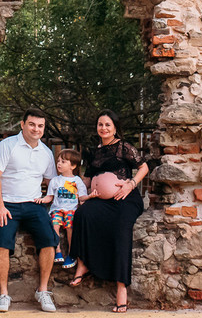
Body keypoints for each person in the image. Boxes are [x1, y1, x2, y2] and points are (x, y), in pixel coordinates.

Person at [67, 110, 149, 313]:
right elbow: (87, 179)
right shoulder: (94, 152)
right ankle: (83, 263)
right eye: (100, 124)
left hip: (125, 199)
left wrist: (131, 184)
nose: (103, 128)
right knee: (82, 215)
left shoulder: (123, 147)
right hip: (100, 201)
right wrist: (70, 187)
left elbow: (144, 167)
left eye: (107, 125)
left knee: (121, 228)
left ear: (115, 127)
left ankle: (121, 288)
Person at [0, 108, 59, 313]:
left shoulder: (46, 152)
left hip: (34, 204)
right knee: (2, 243)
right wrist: (0, 206)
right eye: (32, 124)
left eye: (40, 126)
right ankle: (3, 295)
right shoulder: (7, 145)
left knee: (49, 239)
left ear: (43, 128)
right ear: (23, 124)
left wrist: (58, 196)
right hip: (8, 204)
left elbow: (51, 181)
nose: (36, 129)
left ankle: (43, 291)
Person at [36, 149, 88, 269]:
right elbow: (50, 197)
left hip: (71, 210)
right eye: (58, 161)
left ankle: (71, 253)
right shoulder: (55, 180)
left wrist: (91, 196)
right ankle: (58, 251)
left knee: (70, 228)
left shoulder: (77, 181)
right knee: (54, 225)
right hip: (57, 209)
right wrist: (42, 200)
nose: (59, 164)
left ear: (73, 166)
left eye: (63, 161)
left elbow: (82, 197)